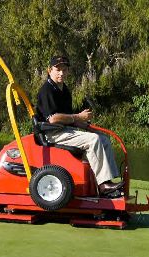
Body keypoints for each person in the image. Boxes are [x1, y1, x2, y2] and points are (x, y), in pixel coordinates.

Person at [36, 55, 124, 195]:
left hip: (65, 130)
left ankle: (109, 182)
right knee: (93, 140)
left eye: (64, 69)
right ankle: (103, 185)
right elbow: (53, 119)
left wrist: (84, 124)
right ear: (49, 70)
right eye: (57, 69)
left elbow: (69, 118)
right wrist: (78, 116)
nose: (61, 73)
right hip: (52, 134)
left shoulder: (64, 90)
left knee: (103, 139)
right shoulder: (47, 90)